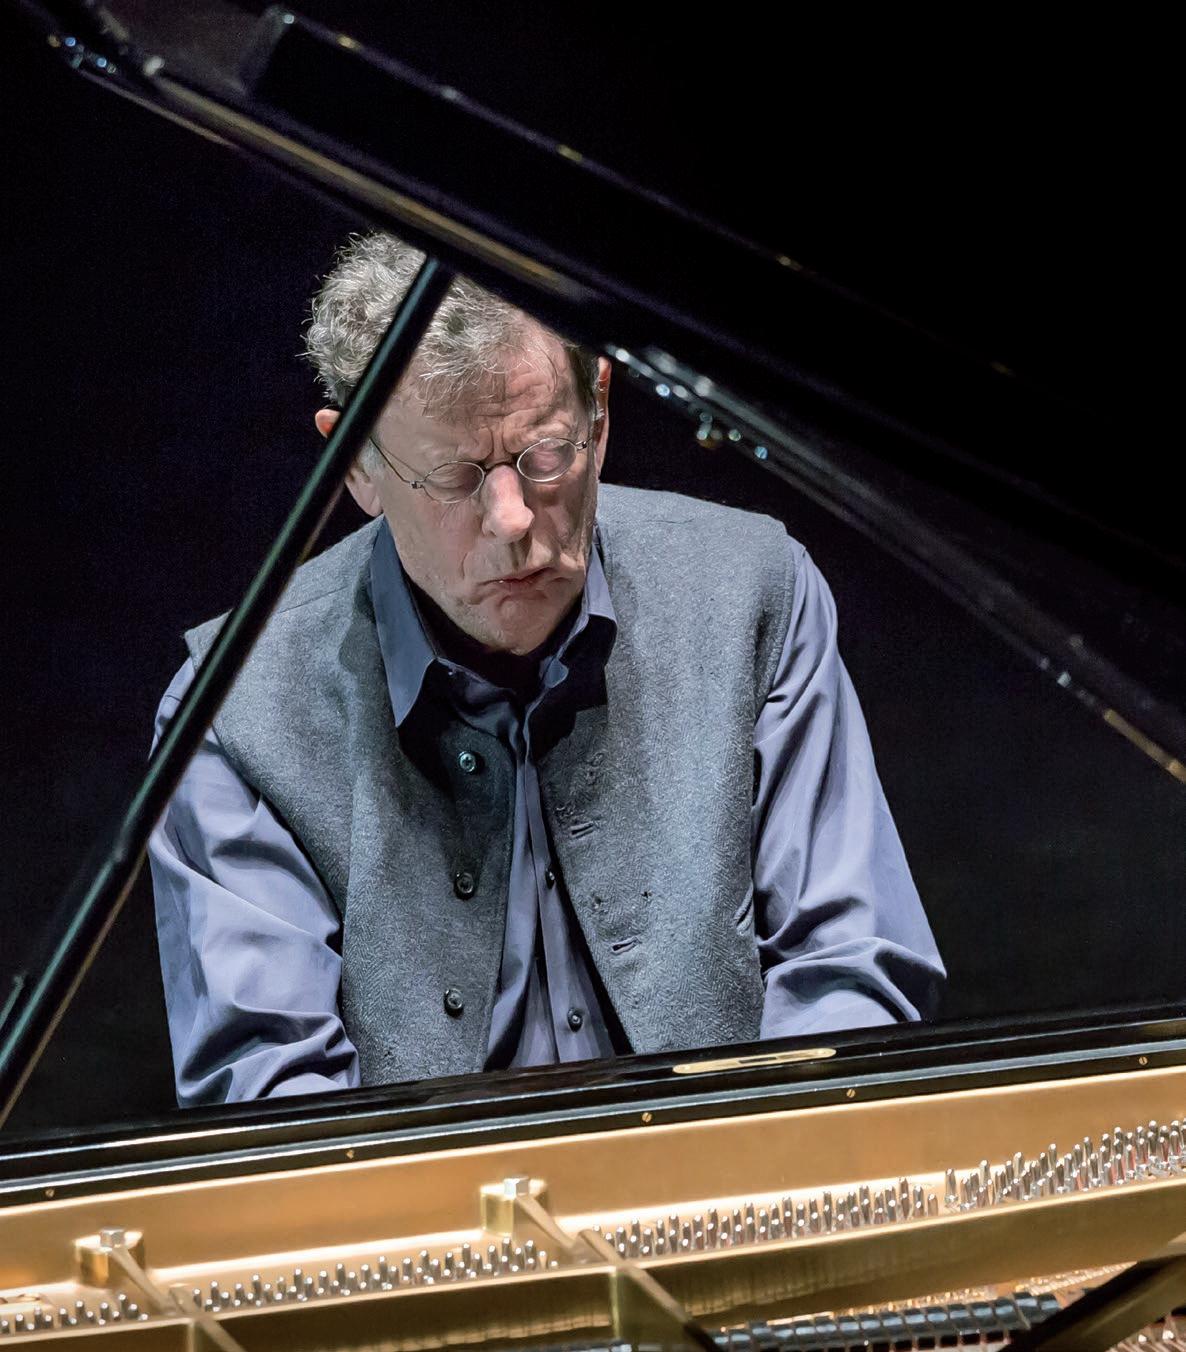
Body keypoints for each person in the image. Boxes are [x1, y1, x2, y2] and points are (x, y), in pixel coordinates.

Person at [148, 232, 945, 1106]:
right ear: (357, 468)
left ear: (600, 408)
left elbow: (848, 970)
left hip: (740, 1172)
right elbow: (278, 1104)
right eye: (453, 476)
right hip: (426, 1198)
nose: (512, 519)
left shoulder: (755, 593)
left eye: (544, 456)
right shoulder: (232, 708)